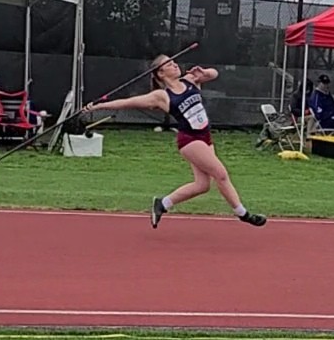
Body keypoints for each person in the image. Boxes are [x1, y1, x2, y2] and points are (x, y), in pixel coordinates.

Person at [83, 54, 266, 228]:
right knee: (221, 174)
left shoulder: (190, 80)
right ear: (161, 73)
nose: (175, 64)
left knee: (202, 185)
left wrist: (204, 72)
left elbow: (214, 74)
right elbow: (128, 102)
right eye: (169, 64)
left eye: (174, 61)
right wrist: (99, 106)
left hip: (205, 137)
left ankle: (162, 203)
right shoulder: (162, 96)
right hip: (190, 140)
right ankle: (243, 214)